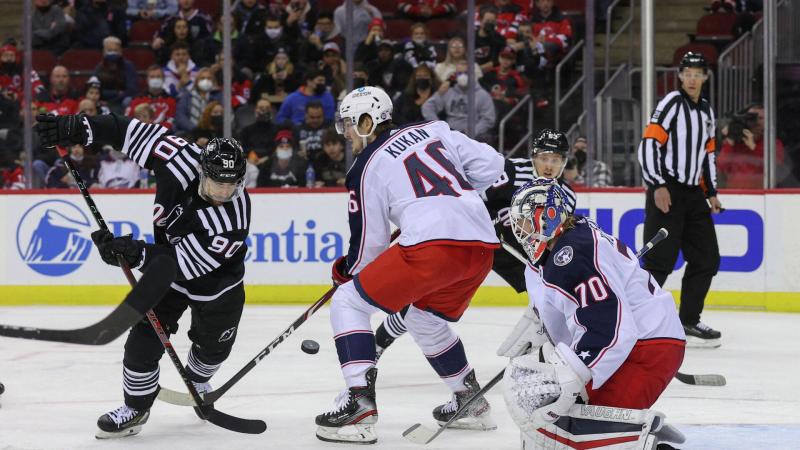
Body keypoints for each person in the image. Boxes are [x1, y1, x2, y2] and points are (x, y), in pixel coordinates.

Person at [35, 112, 251, 439]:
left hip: (217, 285)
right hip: (167, 276)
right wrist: (78, 127)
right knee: (141, 343)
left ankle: (198, 377)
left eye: (229, 185)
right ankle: (136, 407)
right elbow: (128, 131)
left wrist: (135, 253)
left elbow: (187, 263)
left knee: (212, 351)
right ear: (201, 171)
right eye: (216, 184)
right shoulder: (178, 158)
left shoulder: (234, 216)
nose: (222, 193)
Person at [314, 86, 504, 444]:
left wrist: (345, 272)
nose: (347, 134)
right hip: (480, 247)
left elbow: (369, 248)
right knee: (423, 319)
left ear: (369, 122)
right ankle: (470, 401)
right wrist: (449, 200)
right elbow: (493, 165)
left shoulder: (365, 166)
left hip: (434, 249)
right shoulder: (434, 129)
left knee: (349, 302)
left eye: (350, 125)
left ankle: (358, 405)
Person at [501, 179, 686, 449]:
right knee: (562, 421)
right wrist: (547, 327)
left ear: (548, 216)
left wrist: (573, 373)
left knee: (584, 435)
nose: (521, 231)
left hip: (646, 347)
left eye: (526, 221)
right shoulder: (575, 238)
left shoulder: (570, 253)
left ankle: (647, 443)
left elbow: (612, 329)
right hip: (642, 341)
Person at [373, 129, 577, 359]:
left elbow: (555, 239)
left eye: (556, 159)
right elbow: (469, 195)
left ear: (564, 161)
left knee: (552, 301)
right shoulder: (511, 171)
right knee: (430, 295)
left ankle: (545, 354)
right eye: (544, 158)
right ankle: (378, 343)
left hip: (521, 258)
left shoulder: (566, 195)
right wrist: (486, 221)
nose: (549, 165)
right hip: (479, 242)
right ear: (533, 156)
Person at [637, 51, 723, 347]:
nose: (692, 78)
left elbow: (707, 153)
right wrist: (657, 185)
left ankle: (689, 319)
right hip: (667, 190)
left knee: (707, 258)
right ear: (680, 76)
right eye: (687, 73)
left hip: (693, 194)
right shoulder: (671, 103)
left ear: (705, 77)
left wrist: (711, 192)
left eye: (698, 73)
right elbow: (649, 144)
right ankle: (634, 319)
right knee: (659, 262)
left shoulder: (707, 111)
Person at [421, 61, 496, 143]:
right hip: (450, 136)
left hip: (474, 138)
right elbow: (427, 107)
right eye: (460, 73)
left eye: (466, 73)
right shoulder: (448, 91)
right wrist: (439, 127)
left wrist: (473, 131)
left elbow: (489, 119)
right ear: (455, 75)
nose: (463, 76)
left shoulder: (482, 95)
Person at [718, 103, 785, 189]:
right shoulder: (735, 143)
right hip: (734, 197)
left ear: (767, 121)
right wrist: (730, 140)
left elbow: (777, 168)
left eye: (760, 118)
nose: (756, 122)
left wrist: (753, 147)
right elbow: (721, 167)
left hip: (762, 197)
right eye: (751, 118)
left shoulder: (772, 143)